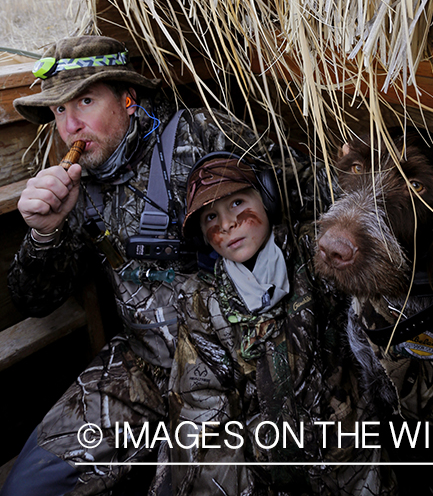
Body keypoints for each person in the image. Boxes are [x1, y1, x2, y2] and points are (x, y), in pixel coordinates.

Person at [2, 35, 320, 496]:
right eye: (58, 112)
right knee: (29, 487)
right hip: (145, 363)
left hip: (238, 362)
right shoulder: (72, 184)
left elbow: (304, 196)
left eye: (84, 101)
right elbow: (35, 300)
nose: (69, 125)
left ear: (129, 99)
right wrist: (44, 231)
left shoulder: (200, 137)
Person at [168, 153, 394, 496]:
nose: (227, 224)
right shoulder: (203, 304)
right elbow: (201, 405)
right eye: (211, 217)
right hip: (268, 471)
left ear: (268, 200)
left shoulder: (314, 254)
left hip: (351, 451)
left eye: (238, 203)